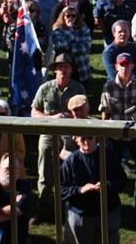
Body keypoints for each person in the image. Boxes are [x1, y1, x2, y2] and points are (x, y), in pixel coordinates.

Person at [30, 53, 86, 225]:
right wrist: (53, 118)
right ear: (55, 70)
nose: (63, 70)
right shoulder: (45, 88)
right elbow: (34, 112)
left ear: (71, 69)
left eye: (66, 67)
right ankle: (43, 208)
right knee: (45, 175)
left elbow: (84, 113)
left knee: (72, 174)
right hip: (48, 134)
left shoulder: (78, 88)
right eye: (60, 67)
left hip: (71, 137)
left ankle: (68, 208)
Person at [60, 135, 124, 244]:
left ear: (96, 139)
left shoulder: (108, 156)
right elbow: (61, 189)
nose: (86, 142)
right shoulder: (71, 161)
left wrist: (107, 185)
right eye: (83, 139)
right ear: (76, 140)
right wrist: (80, 190)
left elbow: (122, 181)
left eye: (90, 138)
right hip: (81, 216)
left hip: (108, 212)